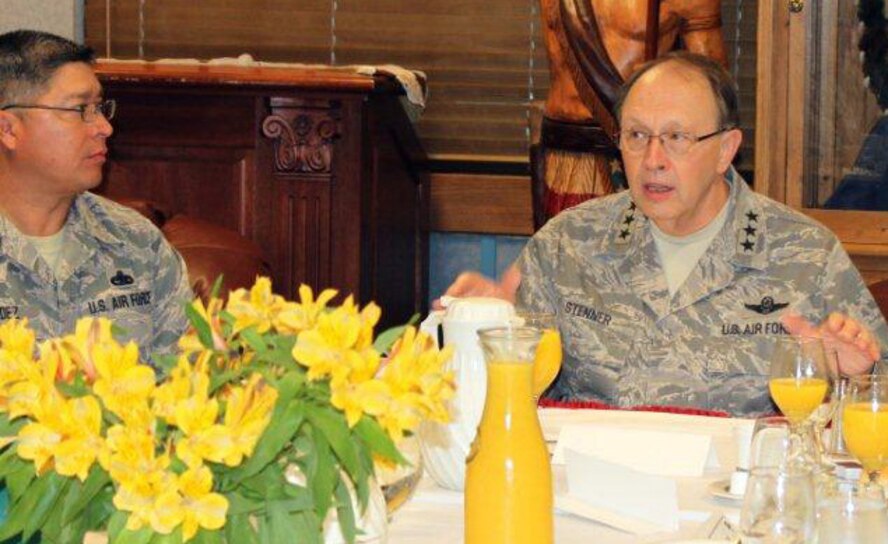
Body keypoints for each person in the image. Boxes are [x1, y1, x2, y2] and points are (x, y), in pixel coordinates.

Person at [444, 52, 888, 417]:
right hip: (588, 495)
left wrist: (858, 377)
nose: (653, 159)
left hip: (737, 501)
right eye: (637, 135)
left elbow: (876, 410)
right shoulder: (568, 244)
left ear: (725, 150)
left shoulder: (805, 255)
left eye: (676, 137)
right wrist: (484, 326)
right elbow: (504, 398)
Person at [0, 29, 192, 361]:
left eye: (100, 107)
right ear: (8, 130)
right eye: (80, 110)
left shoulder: (136, 243)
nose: (104, 127)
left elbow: (190, 386)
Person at [535, 0, 725, 225]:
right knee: (565, 252)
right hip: (565, 153)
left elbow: (713, 98)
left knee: (640, 253)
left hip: (645, 154)